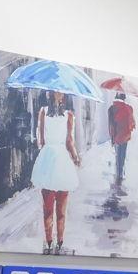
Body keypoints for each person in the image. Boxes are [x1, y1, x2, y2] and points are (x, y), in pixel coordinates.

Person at [31, 92, 80, 254]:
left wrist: (48, 147)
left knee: (48, 208)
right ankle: (59, 242)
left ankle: (49, 242)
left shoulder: (43, 112)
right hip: (62, 160)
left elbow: (40, 140)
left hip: (47, 159)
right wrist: (75, 158)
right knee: (61, 210)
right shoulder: (69, 115)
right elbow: (69, 142)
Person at [107, 91, 136, 191]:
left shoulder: (111, 109)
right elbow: (132, 123)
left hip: (116, 136)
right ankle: (120, 173)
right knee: (122, 155)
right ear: (124, 98)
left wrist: (112, 138)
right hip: (125, 136)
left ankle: (119, 175)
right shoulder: (129, 108)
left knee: (117, 155)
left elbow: (111, 126)